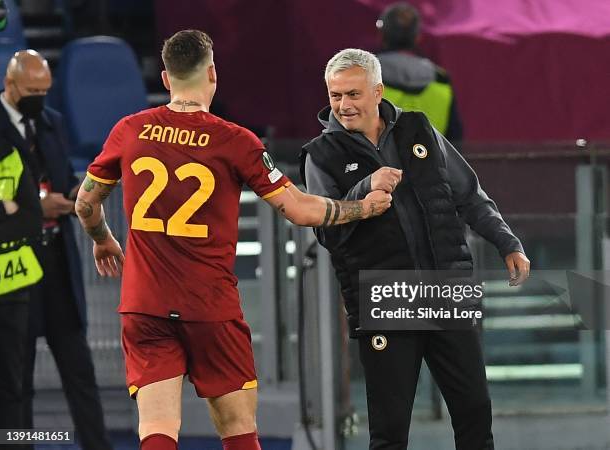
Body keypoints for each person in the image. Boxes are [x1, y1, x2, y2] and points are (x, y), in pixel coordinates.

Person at [75, 29, 391, 450]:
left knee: (156, 428)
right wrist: (364, 208)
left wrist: (102, 239)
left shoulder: (130, 130)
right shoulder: (236, 141)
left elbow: (85, 204)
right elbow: (298, 209)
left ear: (166, 79)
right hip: (210, 308)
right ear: (212, 74)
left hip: (145, 304)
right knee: (238, 430)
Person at [300, 48, 530, 450]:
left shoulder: (419, 129)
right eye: (335, 96)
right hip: (384, 294)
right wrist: (362, 190)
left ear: (377, 91)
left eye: (353, 94)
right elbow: (326, 232)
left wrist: (506, 241)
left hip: (445, 287)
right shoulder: (320, 155)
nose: (343, 106)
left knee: (475, 414)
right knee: (389, 432)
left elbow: (469, 195)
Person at [0, 50, 113, 450]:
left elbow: (63, 177)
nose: (39, 98)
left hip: (58, 262)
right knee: (16, 381)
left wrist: (70, 197)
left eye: (45, 91)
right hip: (13, 266)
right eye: (32, 90)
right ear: (10, 85)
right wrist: (34, 209)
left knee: (79, 373)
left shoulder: (52, 123)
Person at [0, 136, 43, 432]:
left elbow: (30, 222)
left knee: (12, 390)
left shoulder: (8, 155)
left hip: (11, 294)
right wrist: (5, 208)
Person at [376, 2, 464, 143]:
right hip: (431, 162)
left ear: (382, 34)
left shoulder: (364, 76)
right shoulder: (440, 80)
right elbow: (455, 138)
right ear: (418, 37)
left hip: (377, 163)